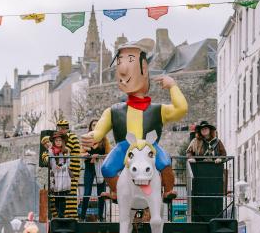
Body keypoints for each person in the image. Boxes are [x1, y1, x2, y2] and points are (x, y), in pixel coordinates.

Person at [80, 38, 188, 203]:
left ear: (144, 70)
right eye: (120, 62)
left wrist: (173, 86)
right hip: (125, 147)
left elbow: (181, 109)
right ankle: (117, 191)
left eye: (130, 60)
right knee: (107, 168)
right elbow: (99, 130)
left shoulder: (158, 110)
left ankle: (168, 190)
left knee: (165, 163)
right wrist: (92, 137)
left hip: (149, 146)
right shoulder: (114, 111)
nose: (123, 70)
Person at [80, 118, 110, 221]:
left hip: (100, 168)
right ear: (90, 127)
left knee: (101, 193)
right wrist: (87, 155)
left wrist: (99, 156)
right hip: (89, 167)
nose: (95, 127)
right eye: (93, 125)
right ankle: (82, 216)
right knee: (87, 192)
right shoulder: (87, 139)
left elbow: (108, 154)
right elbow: (82, 153)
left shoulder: (104, 139)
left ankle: (101, 217)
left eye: (97, 125)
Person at [55, 120, 81, 219]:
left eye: (62, 128)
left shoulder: (71, 137)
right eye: (59, 128)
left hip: (71, 170)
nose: (60, 131)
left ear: (66, 128)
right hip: (65, 169)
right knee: (66, 191)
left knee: (71, 192)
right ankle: (65, 215)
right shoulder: (65, 138)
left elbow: (64, 151)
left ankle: (71, 216)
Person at [49, 132, 72, 218]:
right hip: (55, 174)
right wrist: (56, 167)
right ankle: (58, 214)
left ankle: (61, 215)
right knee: (56, 195)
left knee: (62, 196)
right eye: (56, 140)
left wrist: (63, 167)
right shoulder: (51, 151)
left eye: (60, 140)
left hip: (64, 174)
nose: (58, 142)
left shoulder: (66, 150)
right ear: (54, 141)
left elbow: (69, 161)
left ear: (63, 141)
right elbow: (52, 162)